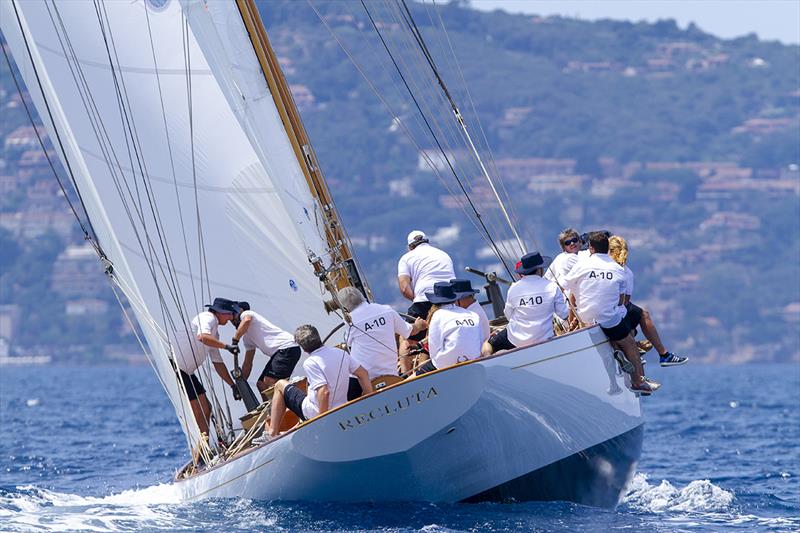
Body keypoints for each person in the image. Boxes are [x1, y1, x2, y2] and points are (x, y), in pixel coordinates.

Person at [563, 232, 658, 394]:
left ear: (591, 248)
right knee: (629, 343)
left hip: (585, 317)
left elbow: (567, 285)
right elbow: (621, 300)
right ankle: (637, 382)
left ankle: (616, 352)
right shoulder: (618, 269)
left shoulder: (582, 264)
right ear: (607, 248)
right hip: (609, 318)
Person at [266, 325, 372, 439]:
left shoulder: (310, 363)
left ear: (303, 347)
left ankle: (272, 433)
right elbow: (363, 373)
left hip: (316, 414)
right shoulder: (340, 353)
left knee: (280, 385)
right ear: (318, 337)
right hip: (342, 409)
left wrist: (321, 423)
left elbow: (324, 392)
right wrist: (368, 399)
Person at [608, 236, 688, 367]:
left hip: (597, 309)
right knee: (642, 316)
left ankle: (638, 351)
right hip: (612, 313)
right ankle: (661, 355)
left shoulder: (598, 266)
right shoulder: (626, 272)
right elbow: (624, 301)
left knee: (638, 317)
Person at [336, 286, 426, 399]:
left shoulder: (349, 321)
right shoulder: (386, 310)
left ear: (345, 309)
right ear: (363, 297)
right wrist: (419, 325)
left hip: (363, 383)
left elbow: (348, 343)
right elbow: (410, 331)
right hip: (392, 376)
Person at [173, 298, 240, 436]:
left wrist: (232, 385)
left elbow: (218, 363)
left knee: (206, 409)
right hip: (177, 369)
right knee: (198, 411)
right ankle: (200, 448)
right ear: (221, 313)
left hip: (188, 373)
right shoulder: (207, 318)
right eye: (230, 314)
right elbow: (202, 337)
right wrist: (227, 346)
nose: (231, 318)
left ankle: (206, 447)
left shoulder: (214, 333)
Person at [483, 252, 569, 355]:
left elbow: (508, 315)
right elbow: (563, 314)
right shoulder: (552, 287)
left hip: (516, 339)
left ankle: (487, 358)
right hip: (544, 339)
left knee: (489, 344)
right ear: (540, 269)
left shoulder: (514, 288)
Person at [397, 230, 455, 372]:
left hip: (424, 299)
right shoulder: (443, 254)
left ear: (410, 246)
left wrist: (417, 299)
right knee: (434, 336)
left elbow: (404, 288)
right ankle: (426, 370)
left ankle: (405, 375)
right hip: (450, 299)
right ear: (427, 242)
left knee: (407, 337)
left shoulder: (407, 257)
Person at [229, 301, 302, 392]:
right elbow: (248, 363)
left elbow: (247, 320)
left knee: (269, 381)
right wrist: (240, 386)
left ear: (240, 310)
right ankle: (273, 406)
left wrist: (235, 340)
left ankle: (292, 401)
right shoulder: (247, 339)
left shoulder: (247, 314)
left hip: (287, 347)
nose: (231, 319)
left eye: (233, 315)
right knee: (261, 385)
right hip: (281, 352)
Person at [417, 281, 483, 374]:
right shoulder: (473, 315)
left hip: (445, 366)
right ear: (454, 298)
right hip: (473, 361)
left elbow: (434, 350)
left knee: (421, 372)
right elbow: (480, 342)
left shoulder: (437, 315)